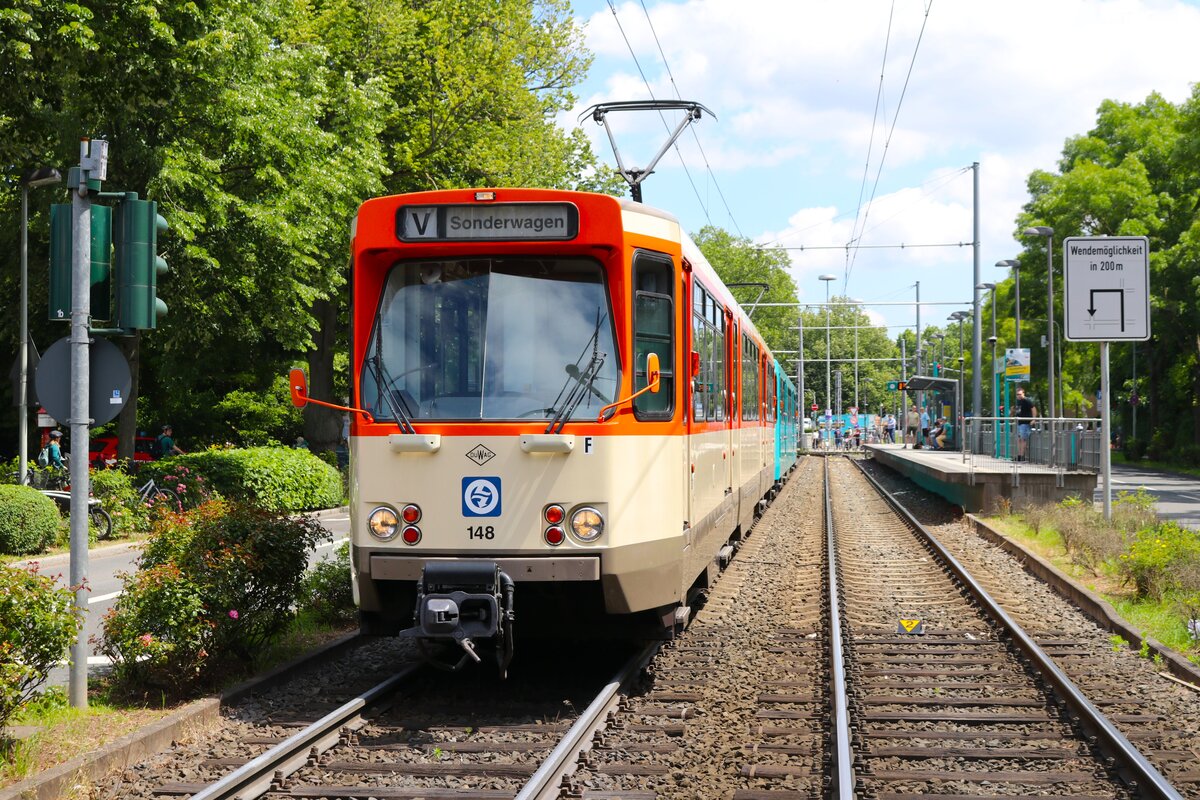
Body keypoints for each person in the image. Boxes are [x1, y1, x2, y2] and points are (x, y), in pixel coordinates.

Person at [1014, 387, 1037, 462]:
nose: (1018, 396)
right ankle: (1019, 456)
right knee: (1019, 439)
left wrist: (1033, 419)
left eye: (1020, 394)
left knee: (1023, 439)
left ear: (1023, 393)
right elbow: (1018, 411)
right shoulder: (1018, 401)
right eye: (1017, 394)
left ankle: (1022, 456)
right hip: (1019, 422)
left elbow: (1034, 409)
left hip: (1025, 423)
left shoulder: (1027, 400)